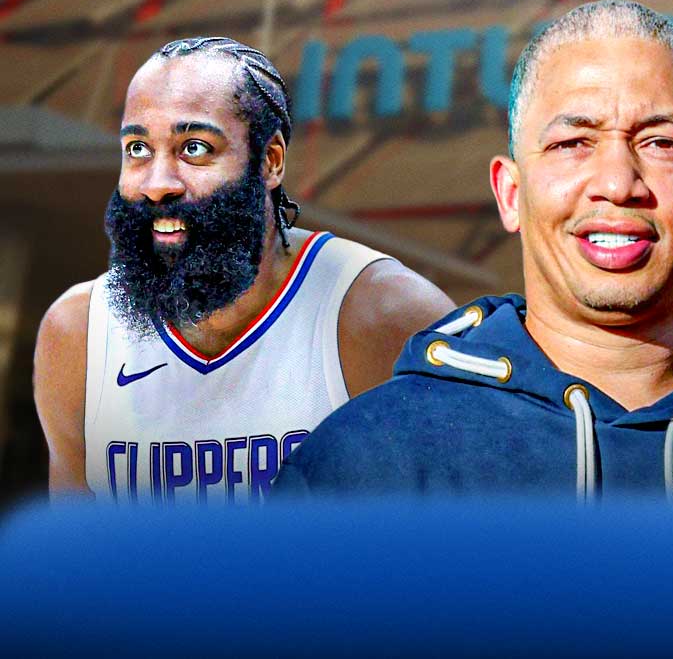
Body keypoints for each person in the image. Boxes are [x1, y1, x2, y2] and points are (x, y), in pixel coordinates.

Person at [274, 0, 673, 501]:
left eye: (661, 142)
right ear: (511, 192)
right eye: (573, 142)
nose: (618, 181)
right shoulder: (365, 469)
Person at [33, 37, 455, 503]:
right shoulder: (78, 336)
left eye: (193, 147)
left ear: (270, 160)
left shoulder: (383, 318)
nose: (157, 184)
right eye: (137, 149)